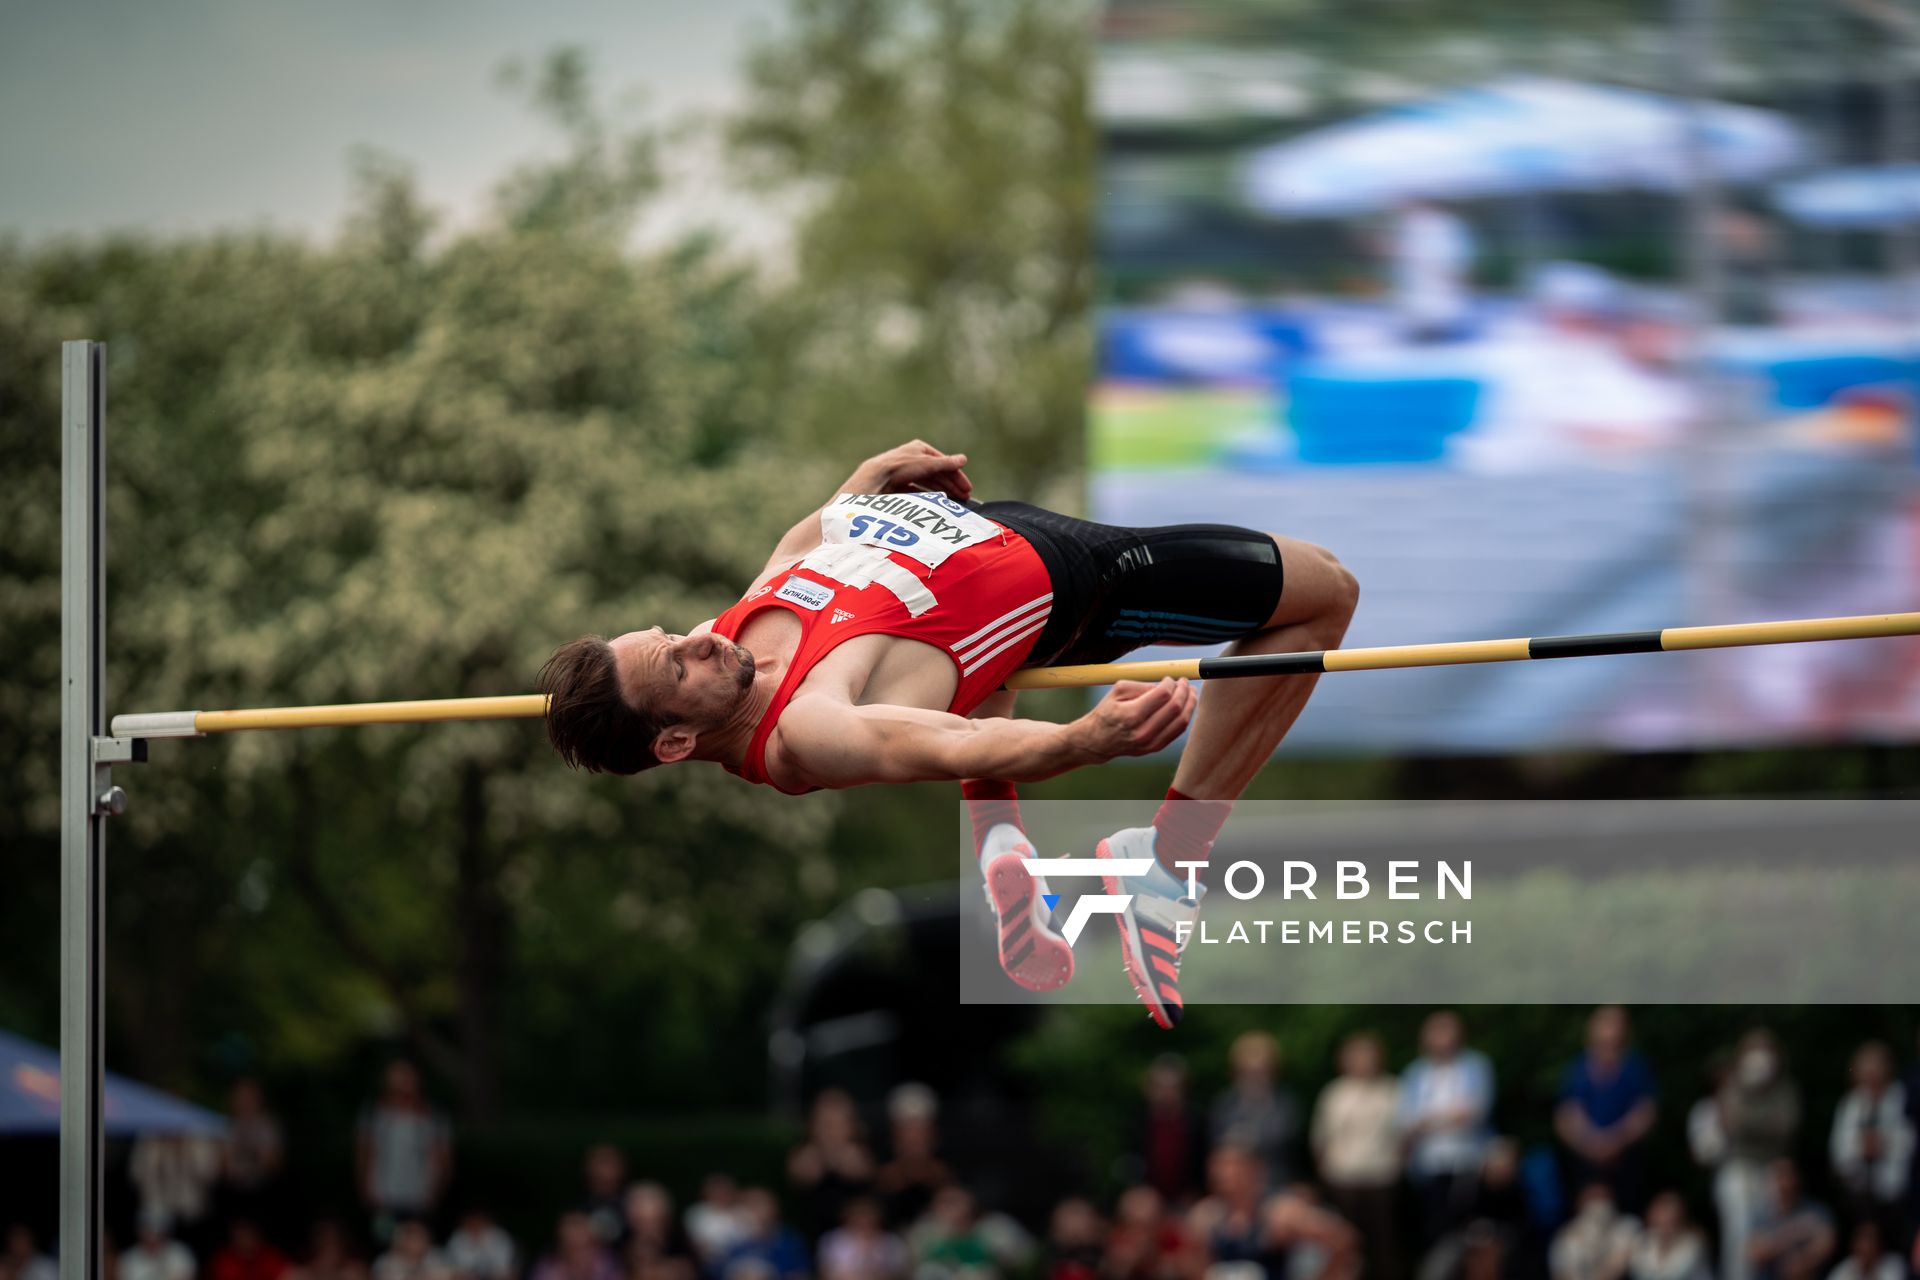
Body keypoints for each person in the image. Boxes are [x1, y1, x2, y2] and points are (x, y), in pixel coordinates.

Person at [538, 441, 1359, 1029]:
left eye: (667, 632)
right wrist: (1086, 739)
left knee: (967, 673)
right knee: (1327, 590)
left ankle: (1002, 846)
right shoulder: (808, 727)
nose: (699, 638)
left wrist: (872, 477)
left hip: (982, 537)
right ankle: (1166, 863)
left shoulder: (732, 635)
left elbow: (815, 537)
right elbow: (950, 743)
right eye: (678, 667)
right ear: (677, 742)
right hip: (1081, 580)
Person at [1399, 1012, 1496, 1249]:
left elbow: (1477, 1111)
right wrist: (1451, 1117)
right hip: (1429, 1163)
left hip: (1469, 1159)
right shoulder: (1415, 1073)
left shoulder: (1476, 1066)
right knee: (1437, 1226)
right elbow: (1407, 1121)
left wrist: (1431, 1120)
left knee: (1471, 1225)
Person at [1310, 1032, 1400, 1280]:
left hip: (1381, 1178)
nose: (1362, 1061)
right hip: (1343, 1179)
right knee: (1344, 1244)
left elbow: (1404, 1137)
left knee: (1383, 1245)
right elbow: (1320, 1138)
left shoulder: (1391, 1090)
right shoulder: (1334, 1093)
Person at [1555, 1008, 1658, 1213]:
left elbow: (1645, 1113)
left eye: (1615, 1025)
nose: (1610, 1032)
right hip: (1583, 1162)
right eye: (1605, 1025)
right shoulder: (1577, 1069)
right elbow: (1566, 1115)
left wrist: (1615, 1141)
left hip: (1626, 1161)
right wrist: (1590, 1142)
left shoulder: (1635, 1067)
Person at [1716, 1034, 1800, 1280]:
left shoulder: (1785, 1089)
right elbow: (1732, 1124)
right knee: (1739, 1231)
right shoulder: (1733, 1086)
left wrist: (1749, 1122)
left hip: (1773, 1170)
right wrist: (1761, 1121)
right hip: (1739, 1167)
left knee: (1771, 1233)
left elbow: (1785, 1126)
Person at [356, 1061, 454, 1240]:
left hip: (420, 1198)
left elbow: (442, 1156)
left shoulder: (432, 1114)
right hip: (383, 1197)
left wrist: (435, 1191)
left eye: (407, 1077)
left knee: (418, 1245)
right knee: (384, 1242)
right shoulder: (374, 1113)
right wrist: (366, 1187)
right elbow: (365, 1152)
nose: (402, 1083)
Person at [1828, 1042, 1912, 1241]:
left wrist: (1884, 1144)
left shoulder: (1901, 1098)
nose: (1872, 1076)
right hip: (1858, 1195)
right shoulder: (1851, 1104)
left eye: (1877, 1069)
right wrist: (1859, 1148)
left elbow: (1910, 1141)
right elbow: (1838, 1150)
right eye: (1866, 1070)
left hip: (1895, 1195)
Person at [1212, 1033, 1299, 1189]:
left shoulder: (1285, 1105)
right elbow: (1217, 1147)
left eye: (1261, 1071)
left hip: (1276, 1187)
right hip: (1232, 1191)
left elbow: (1283, 1142)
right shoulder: (1225, 1105)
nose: (1255, 1077)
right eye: (1248, 1071)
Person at [789, 1090, 878, 1237]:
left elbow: (859, 1169)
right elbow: (802, 1174)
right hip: (812, 1231)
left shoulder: (861, 1152)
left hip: (855, 1235)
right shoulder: (803, 1152)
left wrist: (832, 1154)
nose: (831, 1130)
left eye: (837, 1124)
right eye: (826, 1123)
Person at [876, 1084, 952, 1229]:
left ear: (933, 1133)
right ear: (895, 1134)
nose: (913, 1138)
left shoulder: (949, 1169)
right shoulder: (877, 1168)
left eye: (920, 1130)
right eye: (907, 1129)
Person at [1135, 1055, 1208, 1206]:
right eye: (1160, 1086)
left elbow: (1205, 1165)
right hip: (1150, 1200)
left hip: (1191, 1200)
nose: (1166, 1093)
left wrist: (1196, 1194)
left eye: (1172, 1087)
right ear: (1149, 1089)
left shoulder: (1197, 1122)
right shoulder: (1139, 1123)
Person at [219, 1077, 286, 1240]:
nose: (244, 1102)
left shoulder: (268, 1126)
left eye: (249, 1096)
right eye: (240, 1096)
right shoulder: (226, 1125)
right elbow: (223, 1164)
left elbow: (272, 1162)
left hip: (263, 1193)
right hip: (233, 1193)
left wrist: (247, 1154)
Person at [1747, 1162, 1834, 1280]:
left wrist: (1803, 1262)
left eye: (1788, 1177)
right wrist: (1797, 1230)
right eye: (1779, 1178)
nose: (1784, 1184)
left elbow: (1827, 1243)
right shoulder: (1762, 1214)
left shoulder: (1815, 1210)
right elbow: (1754, 1252)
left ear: (1797, 1180)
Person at [1550, 1186, 1640, 1280]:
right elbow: (1562, 1273)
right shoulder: (1565, 1236)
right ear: (1579, 1203)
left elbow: (1621, 1265)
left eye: (1603, 1197)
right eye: (1592, 1198)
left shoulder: (1628, 1226)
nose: (1598, 1205)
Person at [718, 1190, 811, 1280]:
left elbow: (800, 1273)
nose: (754, 1211)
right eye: (748, 1205)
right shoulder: (731, 1238)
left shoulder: (788, 1239)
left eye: (759, 1205)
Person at [818, 1198, 908, 1280]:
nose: (864, 1220)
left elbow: (900, 1274)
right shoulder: (834, 1239)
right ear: (848, 1217)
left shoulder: (891, 1241)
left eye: (868, 1215)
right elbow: (827, 1274)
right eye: (859, 1215)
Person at [1628, 1194, 1707, 1280]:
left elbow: (1672, 1275)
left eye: (1669, 1222)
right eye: (1659, 1221)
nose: (1664, 1227)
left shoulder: (1692, 1244)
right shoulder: (1644, 1240)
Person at [579, 1145, 630, 1251]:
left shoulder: (633, 1207)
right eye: (600, 1165)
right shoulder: (578, 1211)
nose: (605, 1173)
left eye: (610, 1165)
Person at [444, 1208, 517, 1280]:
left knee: (508, 1274)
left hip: (494, 1273)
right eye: (472, 1222)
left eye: (479, 1222)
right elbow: (461, 1265)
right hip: (469, 1274)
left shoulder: (500, 1235)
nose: (475, 1226)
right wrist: (473, 1246)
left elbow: (502, 1264)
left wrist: (485, 1245)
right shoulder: (458, 1237)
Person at [121, 1212, 196, 1280]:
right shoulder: (129, 1259)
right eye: (148, 1231)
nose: (153, 1238)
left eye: (158, 1232)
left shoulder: (180, 1253)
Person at [369, 1221, 452, 1280]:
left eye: (424, 1237)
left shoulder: (434, 1254)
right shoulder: (385, 1262)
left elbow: (454, 1275)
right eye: (416, 1238)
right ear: (402, 1241)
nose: (423, 1242)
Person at [210, 1219, 290, 1280]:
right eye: (240, 1236)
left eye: (248, 1235)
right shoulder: (224, 1260)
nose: (245, 1239)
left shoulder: (267, 1255)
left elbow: (283, 1274)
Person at [1824, 1224, 1900, 1280]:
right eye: (1861, 1243)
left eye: (1870, 1242)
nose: (1865, 1248)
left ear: (1879, 1245)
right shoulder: (1847, 1266)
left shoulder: (1893, 1264)